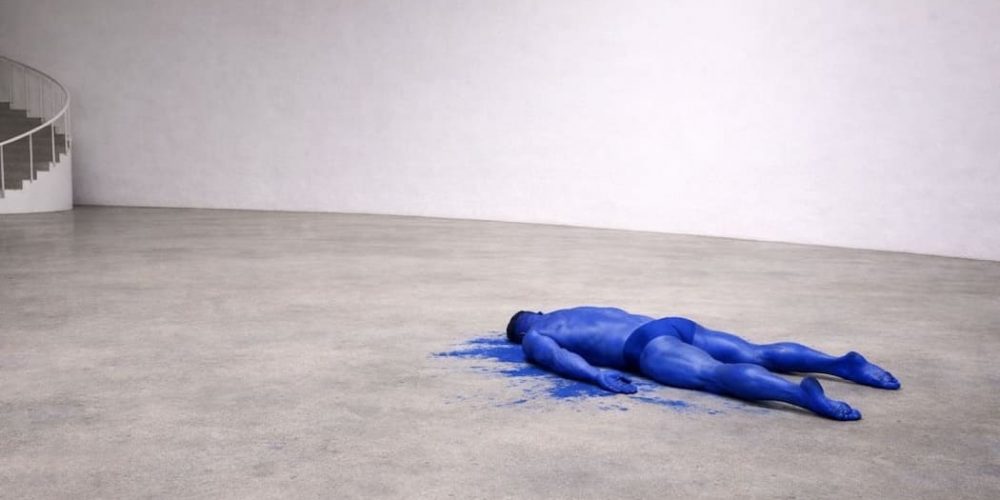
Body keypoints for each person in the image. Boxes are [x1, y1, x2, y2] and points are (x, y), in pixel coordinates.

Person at [506, 306, 900, 421]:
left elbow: (557, 358)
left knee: (715, 374)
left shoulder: (535, 335)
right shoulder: (571, 310)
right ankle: (840, 363)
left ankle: (799, 395)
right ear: (536, 310)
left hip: (644, 347)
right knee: (757, 351)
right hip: (668, 324)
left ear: (521, 331)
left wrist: (597, 376)